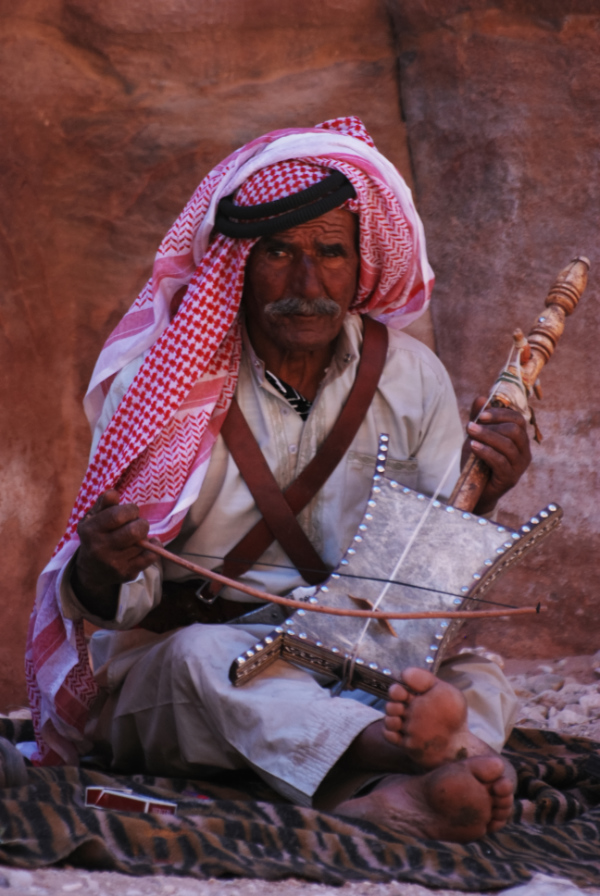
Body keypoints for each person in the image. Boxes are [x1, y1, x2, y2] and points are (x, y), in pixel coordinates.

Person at [25, 117, 530, 842]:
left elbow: (429, 581)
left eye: (331, 253)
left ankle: (382, 797)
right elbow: (115, 609)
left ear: (361, 263)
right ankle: (407, 752)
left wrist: (491, 489)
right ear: (238, 262)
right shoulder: (163, 387)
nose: (307, 283)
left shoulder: (412, 378)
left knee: (478, 675)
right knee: (206, 662)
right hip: (198, 661)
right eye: (279, 253)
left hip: (358, 657)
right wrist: (103, 565)